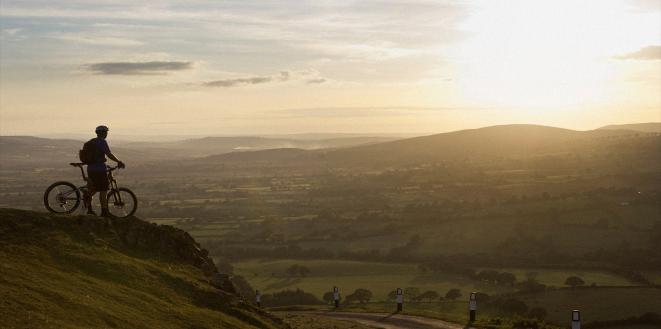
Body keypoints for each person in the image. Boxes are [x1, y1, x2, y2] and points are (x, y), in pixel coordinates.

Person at [85, 125, 125, 217]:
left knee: (93, 189)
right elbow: (108, 154)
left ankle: (89, 209)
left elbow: (98, 157)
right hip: (99, 170)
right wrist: (118, 161)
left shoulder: (92, 141)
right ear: (103, 133)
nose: (107, 134)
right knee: (103, 190)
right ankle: (104, 212)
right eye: (106, 132)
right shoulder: (102, 142)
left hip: (90, 169)